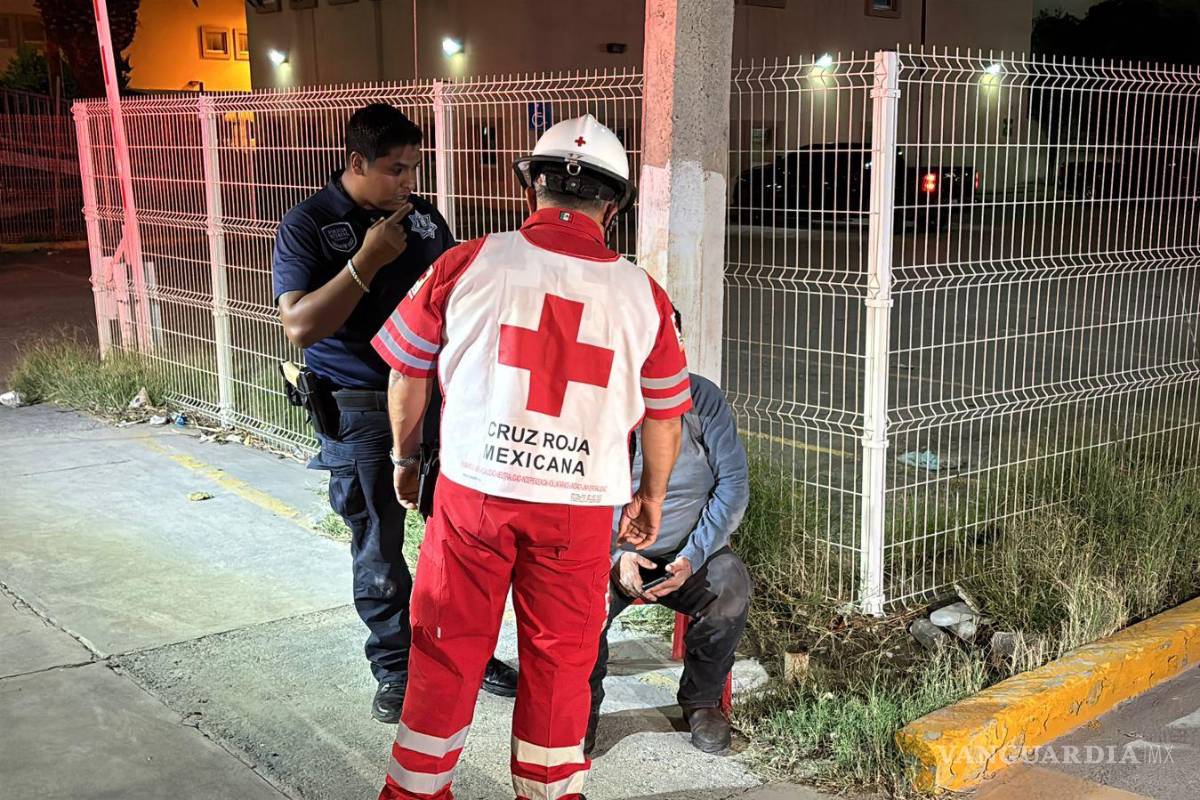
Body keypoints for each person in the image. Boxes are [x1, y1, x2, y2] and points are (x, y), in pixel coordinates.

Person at [370, 114, 691, 800]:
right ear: (613, 207)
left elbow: (406, 375)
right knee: (559, 665)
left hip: (472, 499)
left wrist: (404, 457)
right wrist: (653, 497)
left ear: (532, 191)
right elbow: (666, 414)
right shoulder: (644, 296)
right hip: (577, 511)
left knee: (447, 652)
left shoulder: (467, 261)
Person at [271, 103, 517, 724]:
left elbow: (463, 288)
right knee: (379, 545)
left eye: (413, 167)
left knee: (456, 535)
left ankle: (457, 650)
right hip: (360, 409)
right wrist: (368, 259)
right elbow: (300, 325)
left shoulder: (424, 218)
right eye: (395, 169)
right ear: (356, 162)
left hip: (437, 402)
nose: (409, 181)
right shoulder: (311, 224)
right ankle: (395, 664)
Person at [587, 363, 752, 756]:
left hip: (691, 549)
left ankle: (701, 701)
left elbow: (732, 484)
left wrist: (693, 556)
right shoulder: (598, 399)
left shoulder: (702, 397)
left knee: (731, 586)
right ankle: (581, 708)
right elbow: (577, 491)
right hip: (611, 550)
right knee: (581, 603)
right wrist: (615, 553)